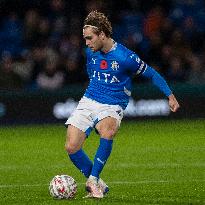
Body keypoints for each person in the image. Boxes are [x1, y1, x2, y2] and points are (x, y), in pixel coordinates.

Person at [65, 11, 180, 199]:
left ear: (102, 34)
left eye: (89, 38)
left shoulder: (125, 57)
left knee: (108, 130)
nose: (86, 43)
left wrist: (170, 95)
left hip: (113, 104)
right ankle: (99, 183)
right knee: (71, 146)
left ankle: (92, 180)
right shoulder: (90, 52)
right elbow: (93, 73)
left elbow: (151, 73)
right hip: (89, 99)